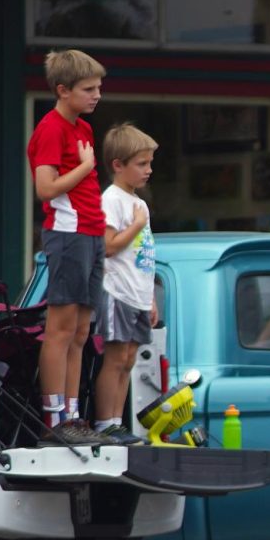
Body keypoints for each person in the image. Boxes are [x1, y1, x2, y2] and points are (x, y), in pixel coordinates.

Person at [27, 49, 107, 444]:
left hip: (93, 232)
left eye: (99, 88)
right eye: (88, 89)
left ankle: (74, 416)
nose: (97, 95)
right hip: (68, 232)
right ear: (62, 90)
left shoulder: (83, 129)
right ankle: (54, 419)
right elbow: (44, 188)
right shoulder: (51, 128)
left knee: (80, 331)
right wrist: (84, 169)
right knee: (59, 329)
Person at [94, 122, 157, 444]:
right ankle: (106, 423)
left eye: (149, 163)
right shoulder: (112, 199)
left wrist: (151, 299)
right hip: (117, 291)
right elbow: (108, 245)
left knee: (130, 359)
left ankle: (118, 422)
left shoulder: (139, 203)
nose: (148, 170)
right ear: (118, 165)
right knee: (116, 357)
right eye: (141, 164)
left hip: (138, 293)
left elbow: (142, 255)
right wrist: (135, 225)